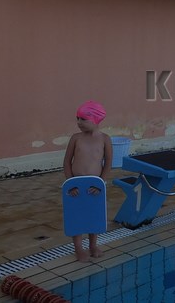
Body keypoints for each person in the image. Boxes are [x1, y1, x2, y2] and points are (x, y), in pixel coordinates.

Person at [63, 100, 112, 262]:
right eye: (77, 118)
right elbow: (67, 162)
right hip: (76, 185)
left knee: (93, 215)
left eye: (83, 119)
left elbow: (108, 163)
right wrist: (71, 184)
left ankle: (93, 245)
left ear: (96, 120)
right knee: (76, 216)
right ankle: (78, 248)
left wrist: (101, 184)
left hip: (94, 186)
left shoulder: (105, 139)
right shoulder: (75, 138)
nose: (79, 122)